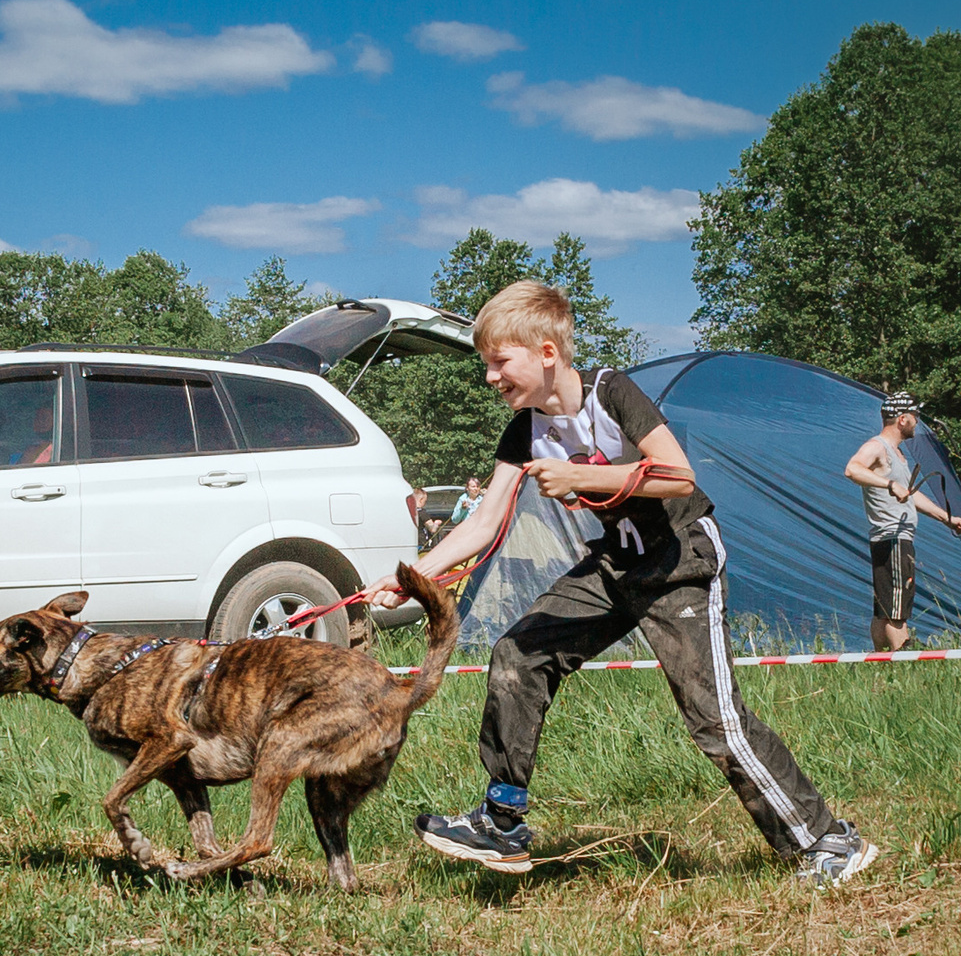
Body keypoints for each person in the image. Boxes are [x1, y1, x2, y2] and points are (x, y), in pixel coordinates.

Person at [370, 279, 881, 887]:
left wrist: (583, 479)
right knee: (517, 655)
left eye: (500, 362)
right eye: (487, 364)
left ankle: (828, 841)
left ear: (547, 352)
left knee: (711, 719)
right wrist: (412, 577)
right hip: (615, 565)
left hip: (679, 562)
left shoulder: (610, 391)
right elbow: (483, 521)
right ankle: (502, 822)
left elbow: (678, 476)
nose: (490, 377)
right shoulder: (523, 430)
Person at [841, 395, 961, 652]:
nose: (917, 422)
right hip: (893, 540)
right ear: (902, 419)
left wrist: (946, 519)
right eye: (915, 417)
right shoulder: (877, 446)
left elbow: (911, 494)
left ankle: (879, 664)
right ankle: (905, 662)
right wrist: (890, 484)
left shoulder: (898, 455)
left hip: (894, 540)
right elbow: (852, 469)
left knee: (884, 611)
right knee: (896, 613)